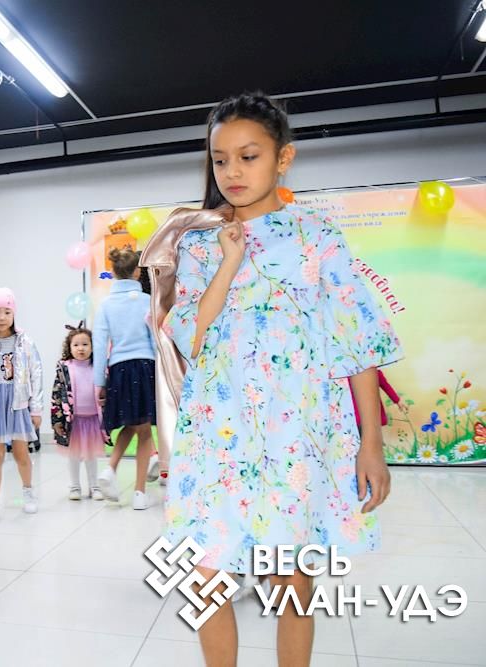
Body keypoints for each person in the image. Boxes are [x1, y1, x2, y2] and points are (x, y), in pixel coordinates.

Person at [157, 92, 400, 666]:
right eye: (221, 160)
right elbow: (190, 335)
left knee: (291, 578)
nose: (232, 172)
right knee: (205, 574)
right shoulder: (197, 242)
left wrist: (371, 443)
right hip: (218, 430)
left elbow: (356, 344)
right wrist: (229, 260)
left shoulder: (317, 236)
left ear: (283, 158)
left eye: (249, 156)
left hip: (296, 432)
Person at [93, 247, 158, 510]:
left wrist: (99, 382)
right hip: (144, 365)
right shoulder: (146, 301)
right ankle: (140, 493)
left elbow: (100, 345)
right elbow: (155, 338)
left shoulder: (106, 305)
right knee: (144, 429)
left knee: (132, 424)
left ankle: (110, 470)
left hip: (118, 369)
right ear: (137, 272)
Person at [0, 288, 43, 523]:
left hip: (17, 403)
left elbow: (36, 373)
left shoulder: (24, 341)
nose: (2, 317)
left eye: (7, 312)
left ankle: (28, 492)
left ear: (14, 314)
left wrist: (36, 408)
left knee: (21, 452)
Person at [51, 326, 105, 501]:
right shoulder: (64, 368)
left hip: (92, 420)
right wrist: (57, 420)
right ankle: (74, 487)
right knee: (73, 455)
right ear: (69, 347)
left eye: (85, 344)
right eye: (76, 345)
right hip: (73, 421)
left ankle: (94, 487)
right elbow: (56, 394)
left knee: (91, 455)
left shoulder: (98, 367)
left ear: (92, 346)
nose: (81, 348)